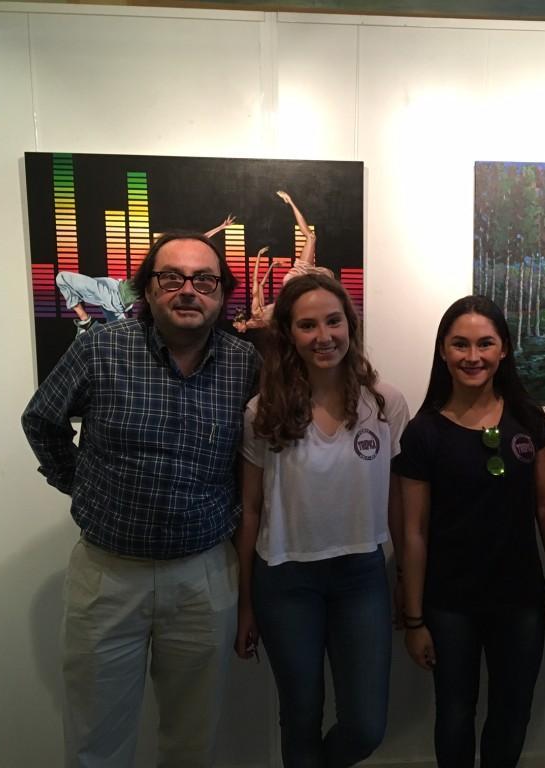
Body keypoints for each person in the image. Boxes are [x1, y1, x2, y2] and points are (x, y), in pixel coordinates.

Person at [22, 231, 260, 767]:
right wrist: (80, 485)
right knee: (95, 743)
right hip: (108, 577)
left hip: (204, 578)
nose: (187, 291)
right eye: (170, 277)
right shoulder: (100, 347)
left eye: (204, 280)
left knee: (192, 743)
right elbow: (42, 420)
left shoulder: (245, 364)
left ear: (222, 295)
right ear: (147, 291)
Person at [234, 272, 408, 767]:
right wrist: (246, 603)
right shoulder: (261, 411)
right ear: (288, 334)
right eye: (307, 325)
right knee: (301, 715)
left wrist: (406, 583)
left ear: (350, 325)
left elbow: (397, 503)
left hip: (362, 577)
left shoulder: (384, 404)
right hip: (285, 580)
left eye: (333, 321)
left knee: (365, 726)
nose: (323, 336)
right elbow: (249, 510)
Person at [397, 295, 545, 768]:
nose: (473, 356)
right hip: (449, 606)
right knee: (453, 715)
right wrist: (413, 620)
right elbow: (414, 531)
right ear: (443, 352)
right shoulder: (423, 433)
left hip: (521, 601)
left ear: (504, 349)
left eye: (485, 343)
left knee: (512, 715)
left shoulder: (528, 420)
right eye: (460, 344)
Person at [57, 214, 235, 335]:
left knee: (111, 338)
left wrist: (221, 227)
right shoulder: (155, 266)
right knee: (62, 278)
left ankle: (85, 327)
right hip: (111, 288)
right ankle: (84, 319)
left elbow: (198, 242)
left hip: (117, 303)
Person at [234, 191, 332, 335]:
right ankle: (291, 202)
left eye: (237, 326)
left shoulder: (256, 312)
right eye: (237, 328)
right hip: (296, 290)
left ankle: (290, 202)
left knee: (311, 237)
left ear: (242, 322)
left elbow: (258, 282)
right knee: (311, 238)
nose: (237, 329)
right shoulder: (263, 323)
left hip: (294, 282)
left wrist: (260, 257)